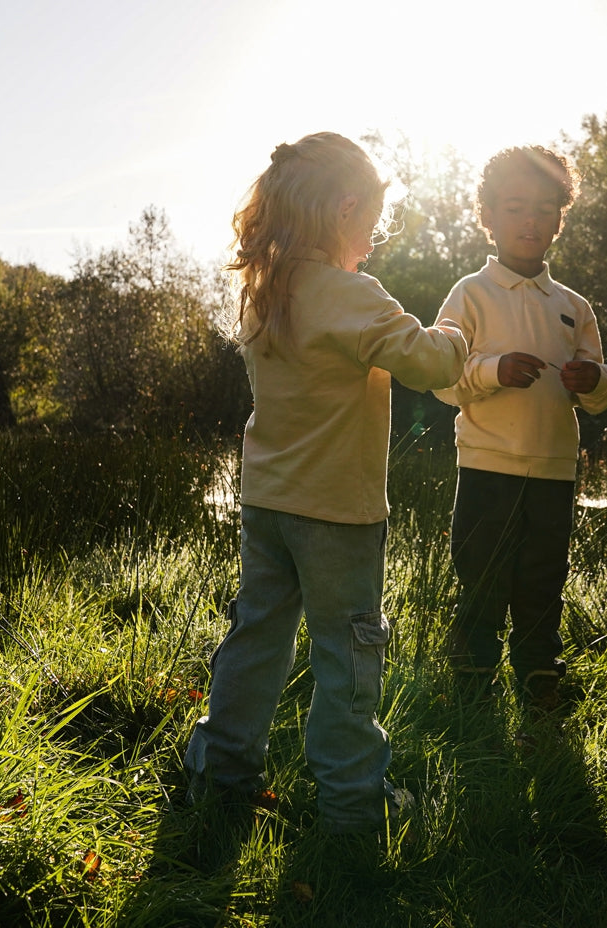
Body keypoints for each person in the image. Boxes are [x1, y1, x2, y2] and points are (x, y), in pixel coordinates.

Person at [185, 132, 467, 834]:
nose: (370, 246)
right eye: (370, 228)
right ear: (345, 209)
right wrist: (460, 331)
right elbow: (431, 365)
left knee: (256, 638)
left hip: (266, 503)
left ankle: (221, 779)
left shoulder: (264, 292)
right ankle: (352, 806)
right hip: (338, 514)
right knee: (348, 654)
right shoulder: (353, 296)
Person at [432, 145, 607, 711]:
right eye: (514, 207)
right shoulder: (470, 293)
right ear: (487, 216)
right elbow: (441, 377)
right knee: (482, 582)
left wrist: (595, 379)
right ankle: (472, 685)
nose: (530, 220)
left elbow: (601, 398)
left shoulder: (574, 306)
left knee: (542, 583)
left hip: (555, 473)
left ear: (561, 217)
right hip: (487, 467)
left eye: (544, 207)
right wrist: (493, 370)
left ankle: (539, 677)